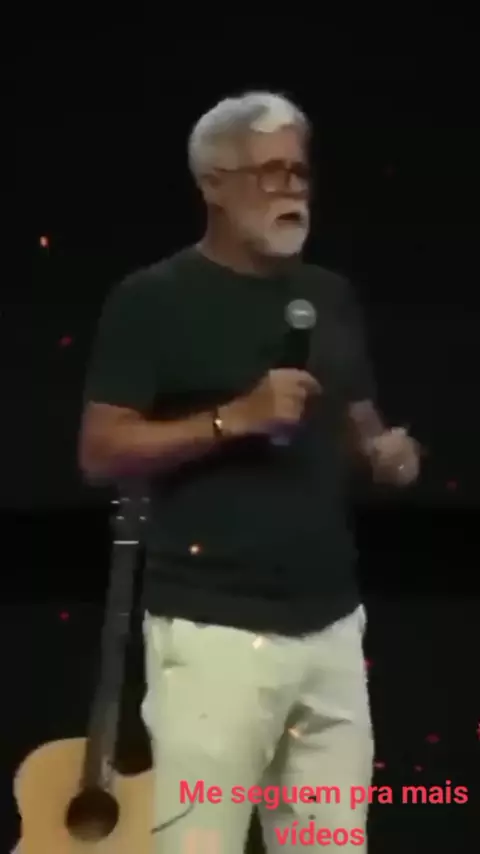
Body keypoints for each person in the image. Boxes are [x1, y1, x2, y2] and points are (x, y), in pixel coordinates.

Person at [79, 91, 420, 853]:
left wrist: (386, 454)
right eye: (270, 173)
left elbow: (358, 419)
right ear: (213, 183)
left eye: (299, 172)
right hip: (215, 635)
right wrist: (234, 418)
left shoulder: (330, 295)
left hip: (331, 627)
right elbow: (101, 451)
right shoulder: (154, 299)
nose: (291, 189)